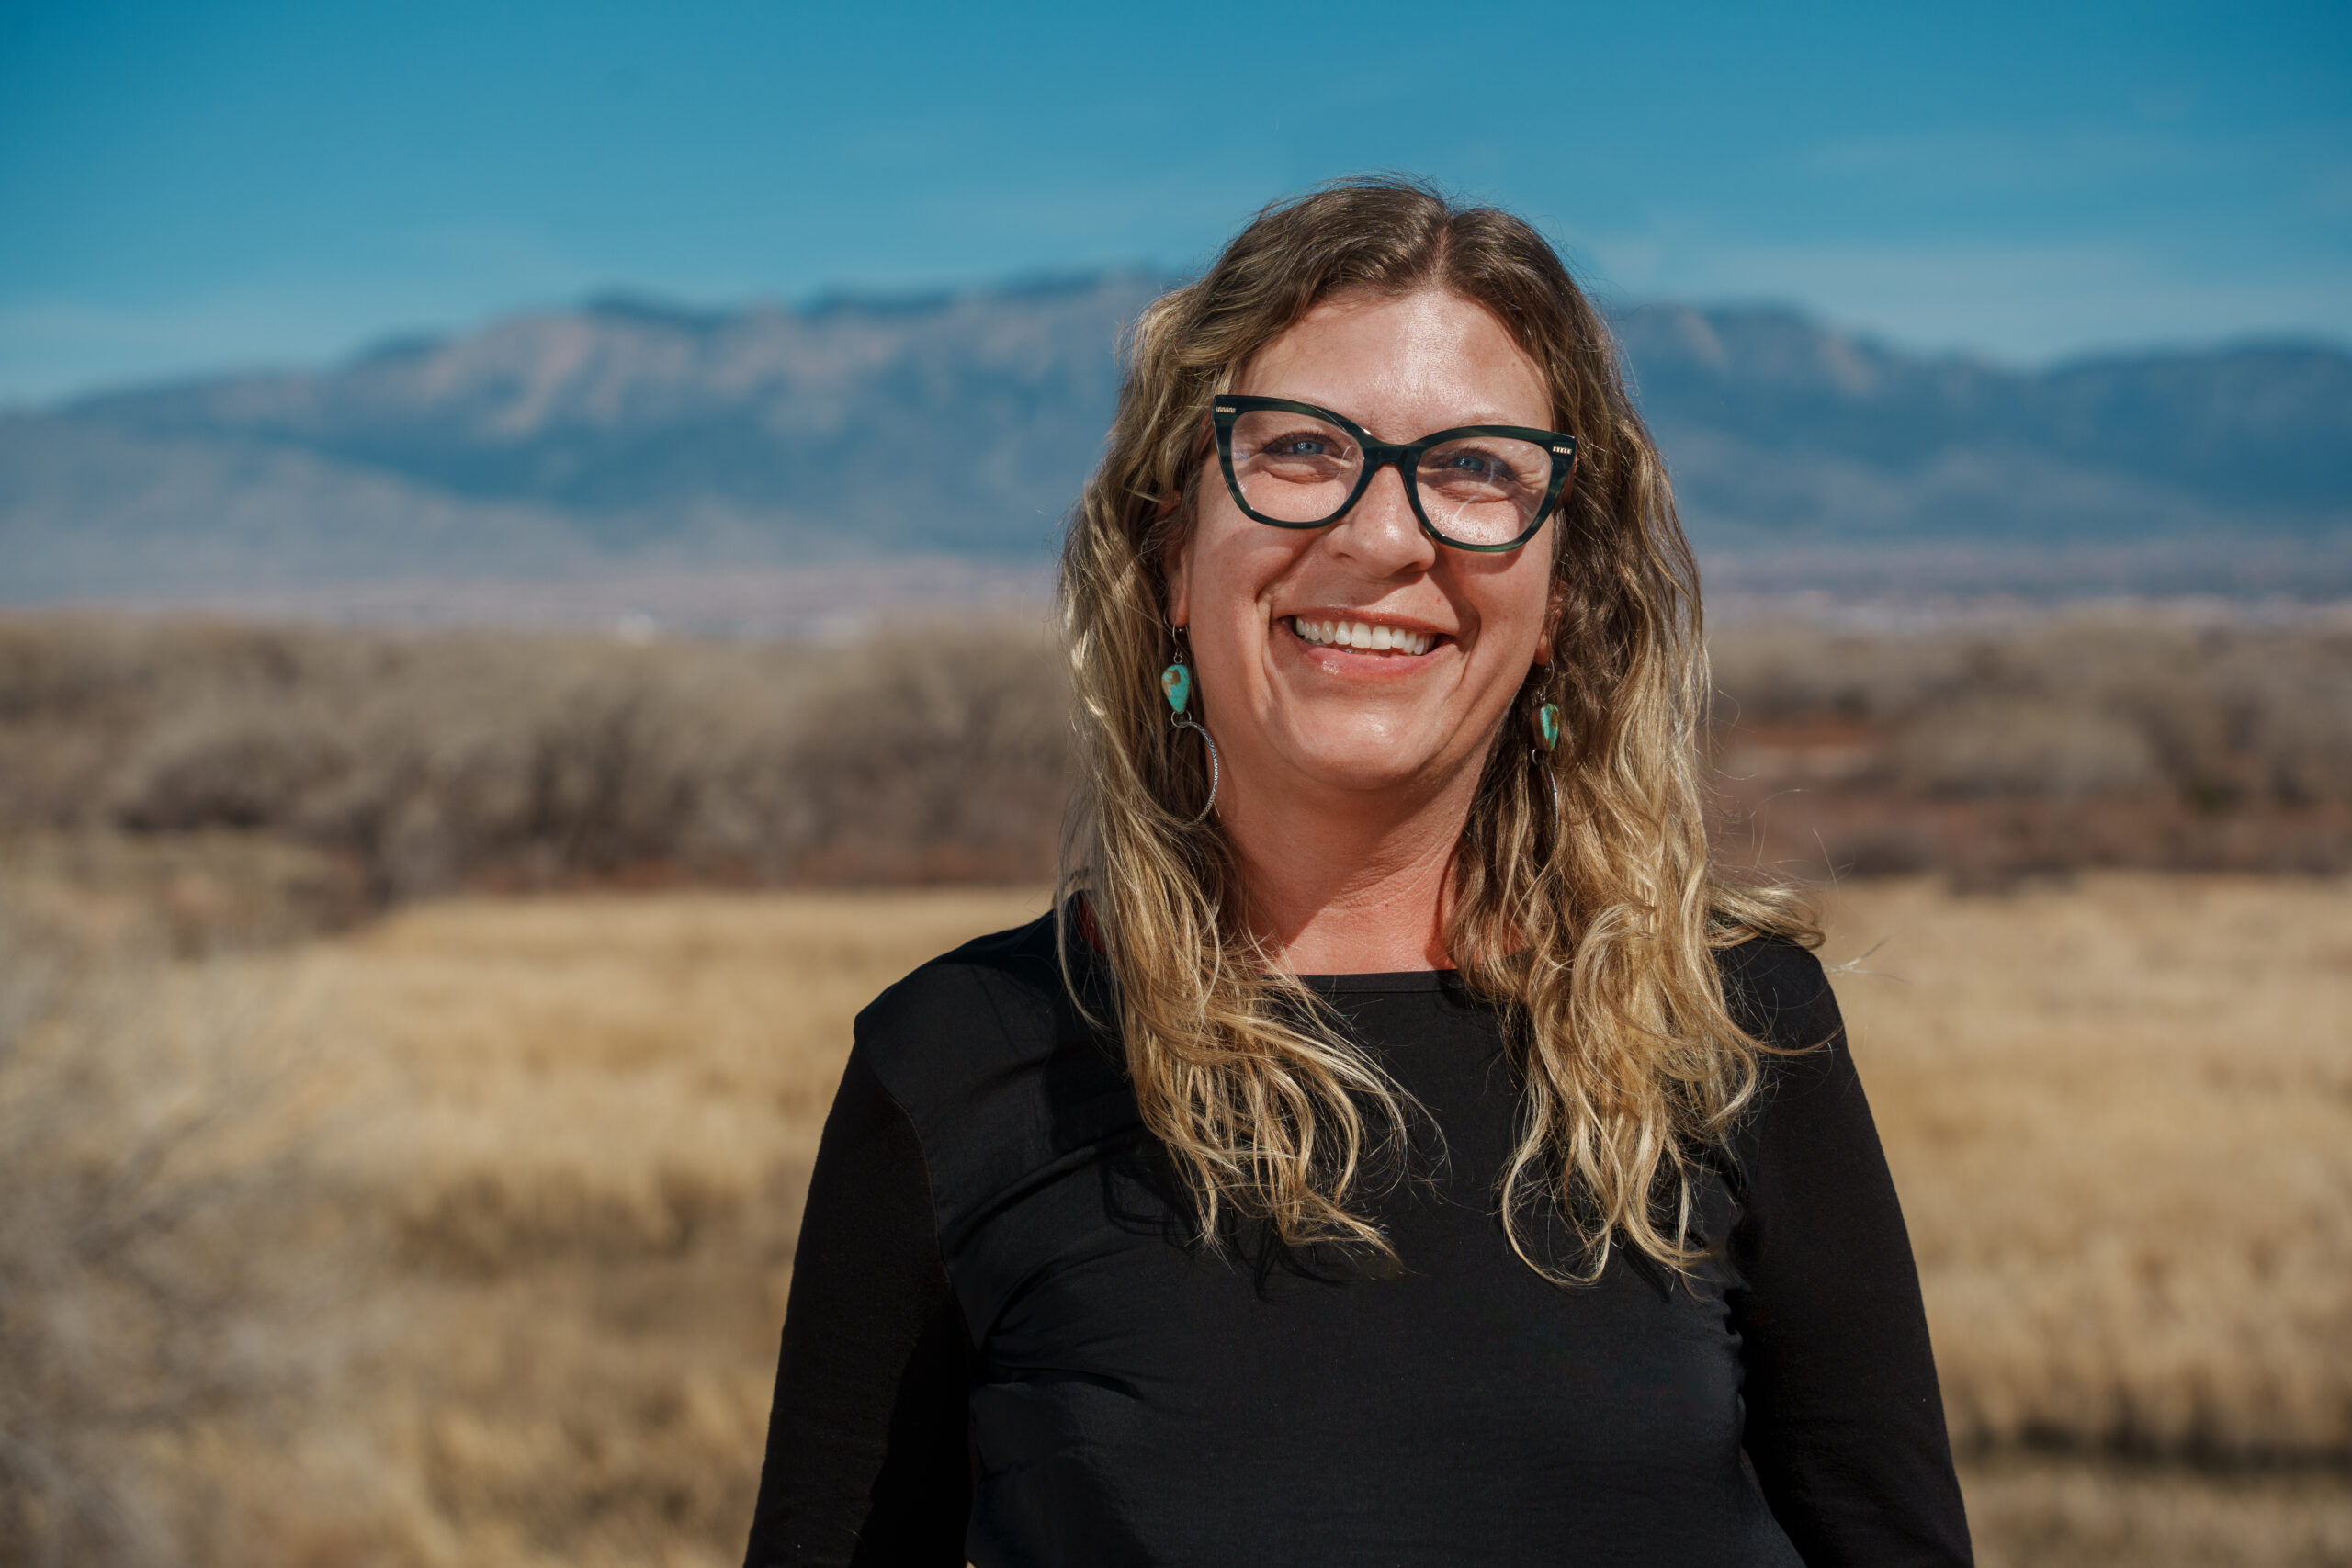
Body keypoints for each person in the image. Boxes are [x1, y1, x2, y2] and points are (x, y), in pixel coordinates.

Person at [742, 178, 1973, 1567]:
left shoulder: (1734, 1034)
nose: (1383, 536)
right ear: (1167, 553)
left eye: (1477, 468)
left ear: (1564, 592)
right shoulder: (960, 1063)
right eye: (1303, 451)